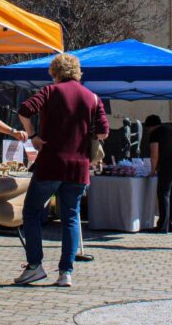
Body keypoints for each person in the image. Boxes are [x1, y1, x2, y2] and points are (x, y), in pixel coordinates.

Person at [15, 53, 108, 288]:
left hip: (51, 163)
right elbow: (103, 132)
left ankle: (35, 265)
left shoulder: (49, 92)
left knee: (32, 212)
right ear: (77, 72)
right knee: (71, 217)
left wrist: (34, 136)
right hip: (79, 167)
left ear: (55, 72)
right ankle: (66, 272)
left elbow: (25, 110)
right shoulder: (93, 98)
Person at [144, 114, 172, 233]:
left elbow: (154, 154)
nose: (147, 130)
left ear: (150, 126)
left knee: (163, 195)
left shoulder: (154, 134)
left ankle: (162, 226)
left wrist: (152, 170)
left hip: (167, 167)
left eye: (147, 128)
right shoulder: (169, 131)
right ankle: (170, 225)